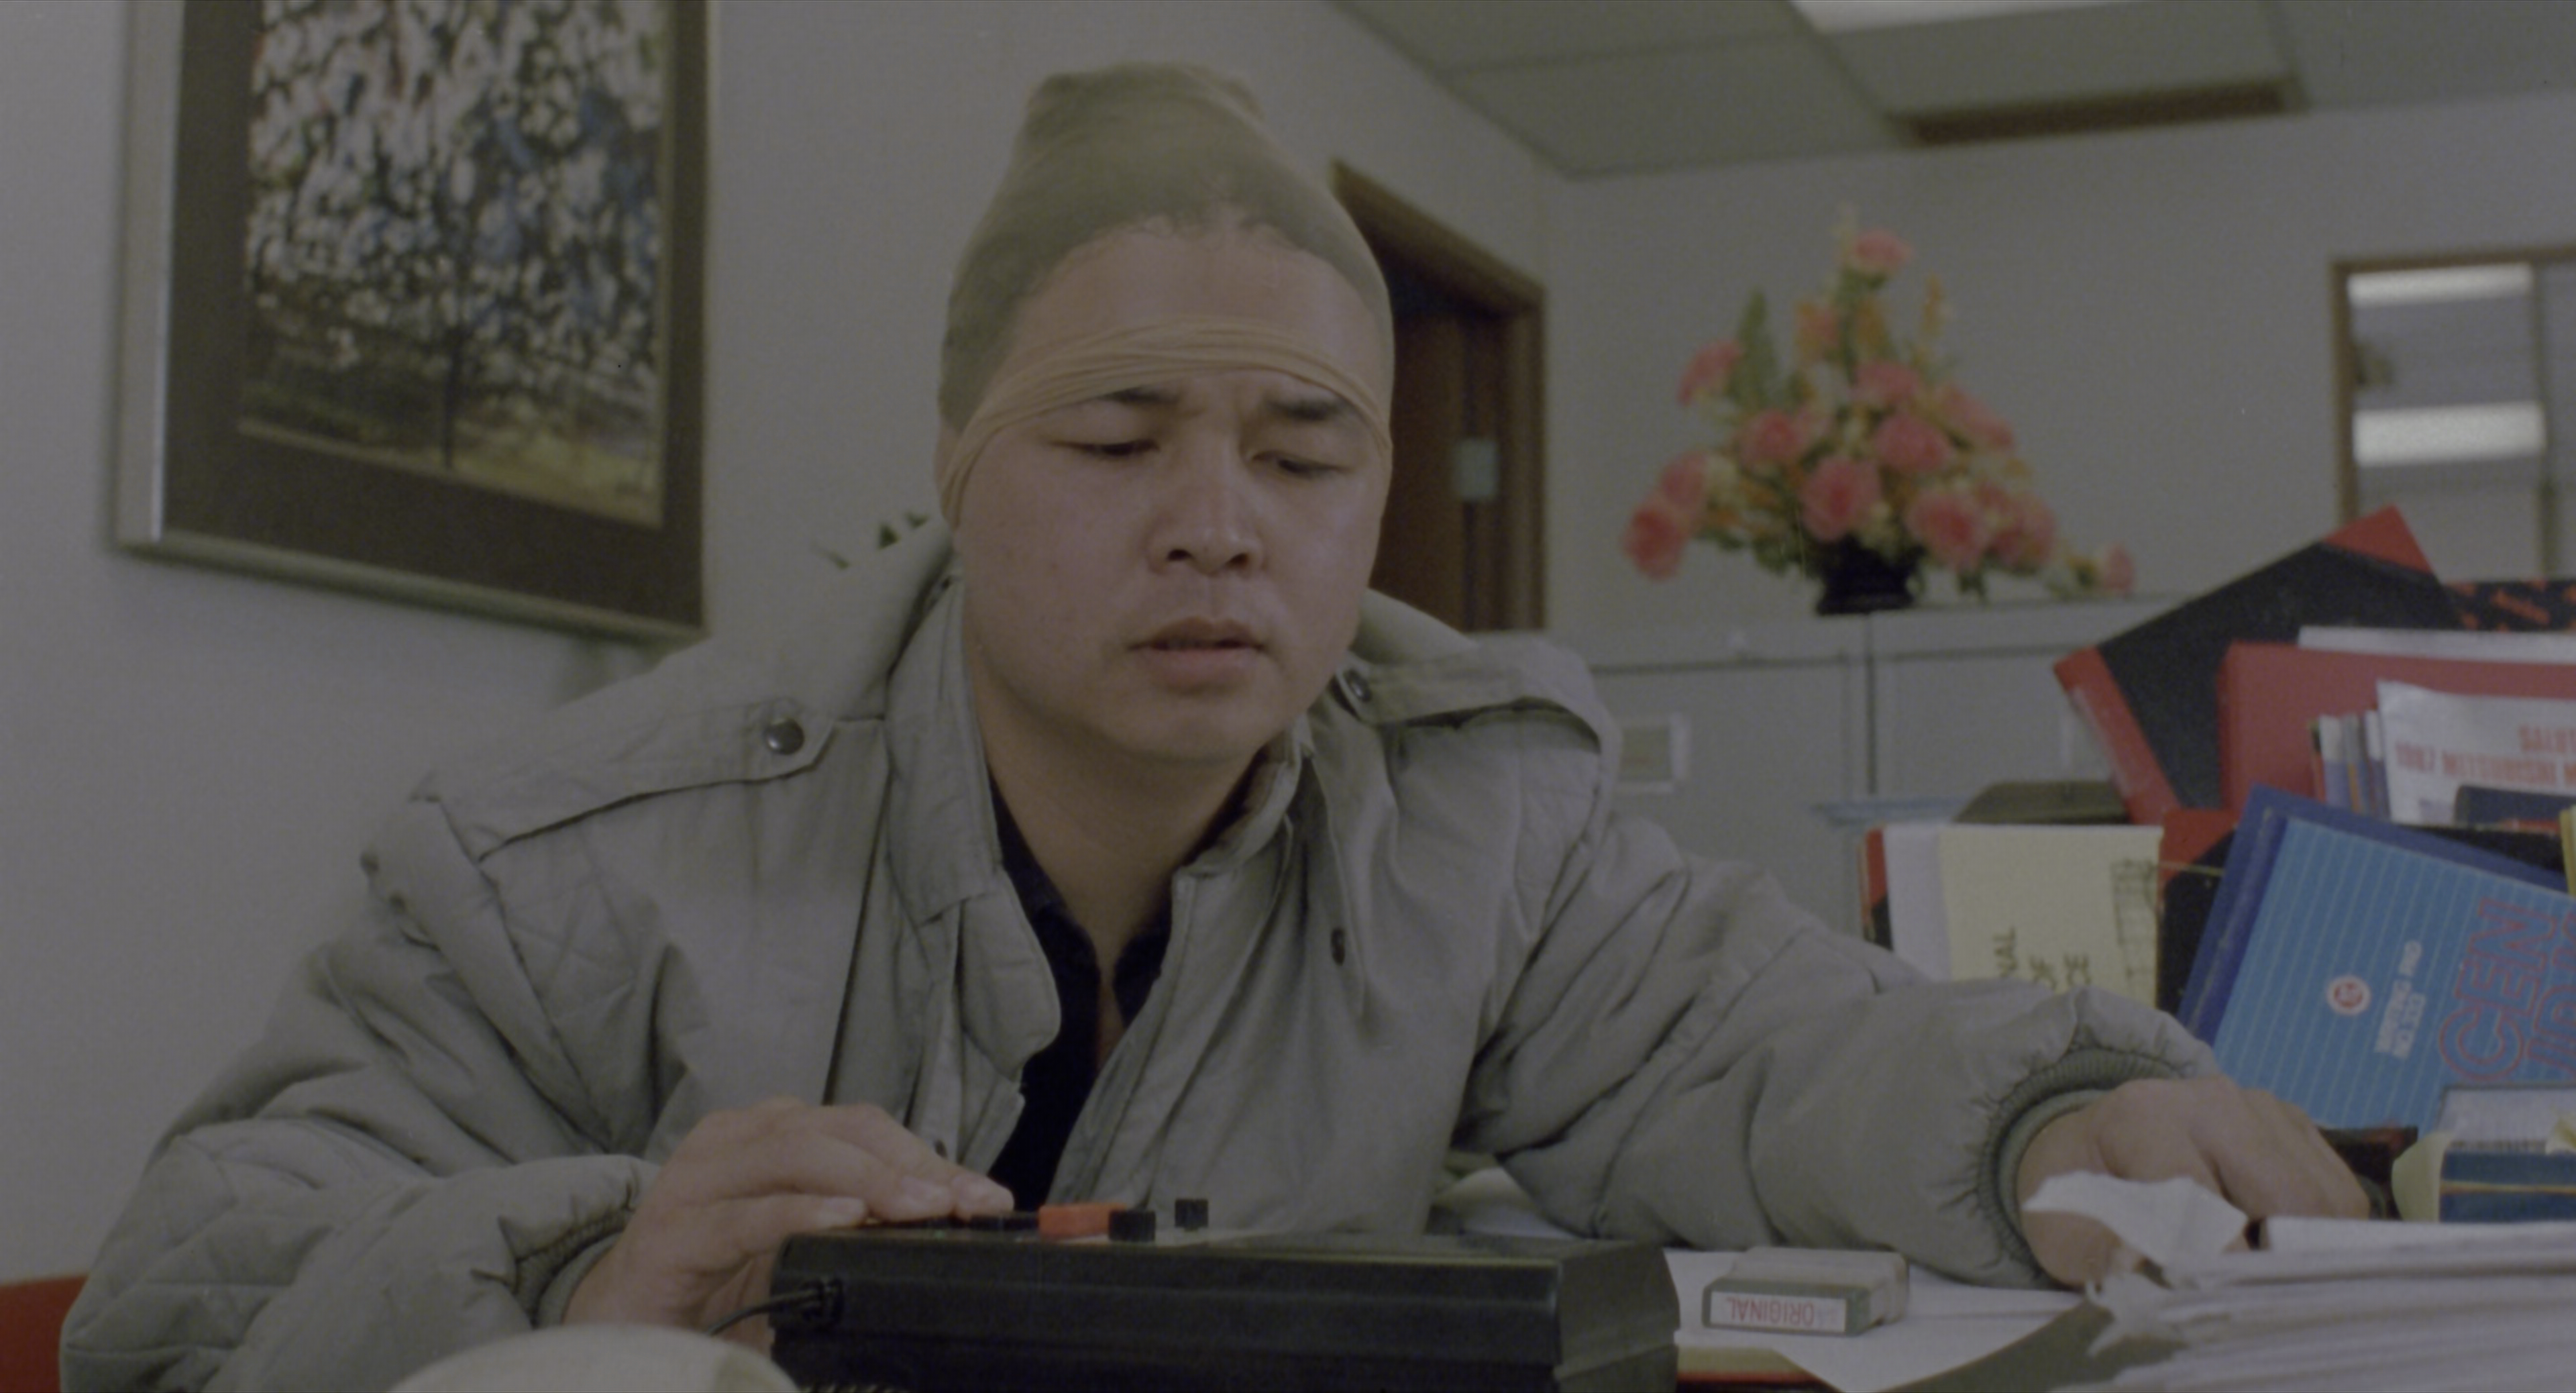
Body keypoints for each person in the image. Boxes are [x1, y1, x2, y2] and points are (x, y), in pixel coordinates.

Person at [62, 62, 2363, 1392]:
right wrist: (583, 1270)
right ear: (960, 465)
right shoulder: (576, 847)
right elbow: (173, 1298)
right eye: (1117, 436)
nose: (1219, 524)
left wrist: (2064, 1113)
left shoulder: (1473, 808)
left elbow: (1762, 1048)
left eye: (1302, 449)